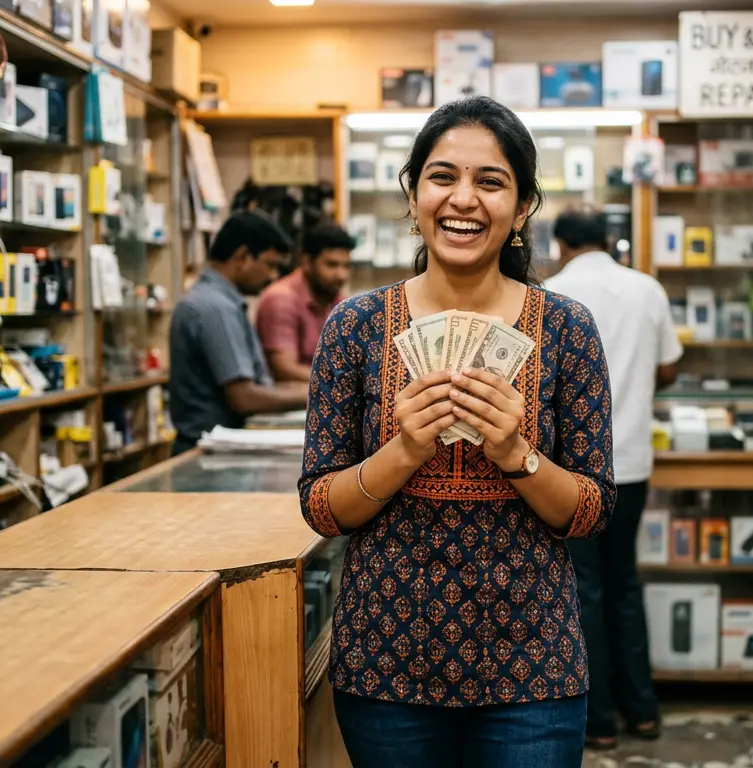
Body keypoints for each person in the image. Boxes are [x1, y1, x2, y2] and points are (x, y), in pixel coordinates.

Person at [298, 96, 615, 768]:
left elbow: (591, 511)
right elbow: (322, 507)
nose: (462, 200)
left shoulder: (568, 329)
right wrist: (405, 450)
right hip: (385, 666)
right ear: (413, 194)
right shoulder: (354, 328)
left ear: (524, 205)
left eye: (491, 182)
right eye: (442, 177)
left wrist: (518, 455)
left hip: (534, 670)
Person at [543, 207, 681, 750]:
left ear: (560, 245)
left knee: (584, 591)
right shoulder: (647, 289)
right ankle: (642, 711)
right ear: (610, 241)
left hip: (569, 473)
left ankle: (598, 722)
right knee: (624, 582)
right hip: (632, 465)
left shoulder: (549, 296)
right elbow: (669, 367)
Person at [168, 211, 309, 455]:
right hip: (209, 452)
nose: (274, 277)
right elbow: (244, 397)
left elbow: (254, 387)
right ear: (242, 256)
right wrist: (317, 395)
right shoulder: (215, 308)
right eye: (270, 265)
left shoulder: (218, 301)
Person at [255, 223, 355, 383]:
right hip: (290, 402)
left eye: (346, 266)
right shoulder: (281, 299)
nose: (341, 275)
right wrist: (344, 384)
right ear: (307, 262)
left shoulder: (337, 299)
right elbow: (284, 370)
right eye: (331, 265)